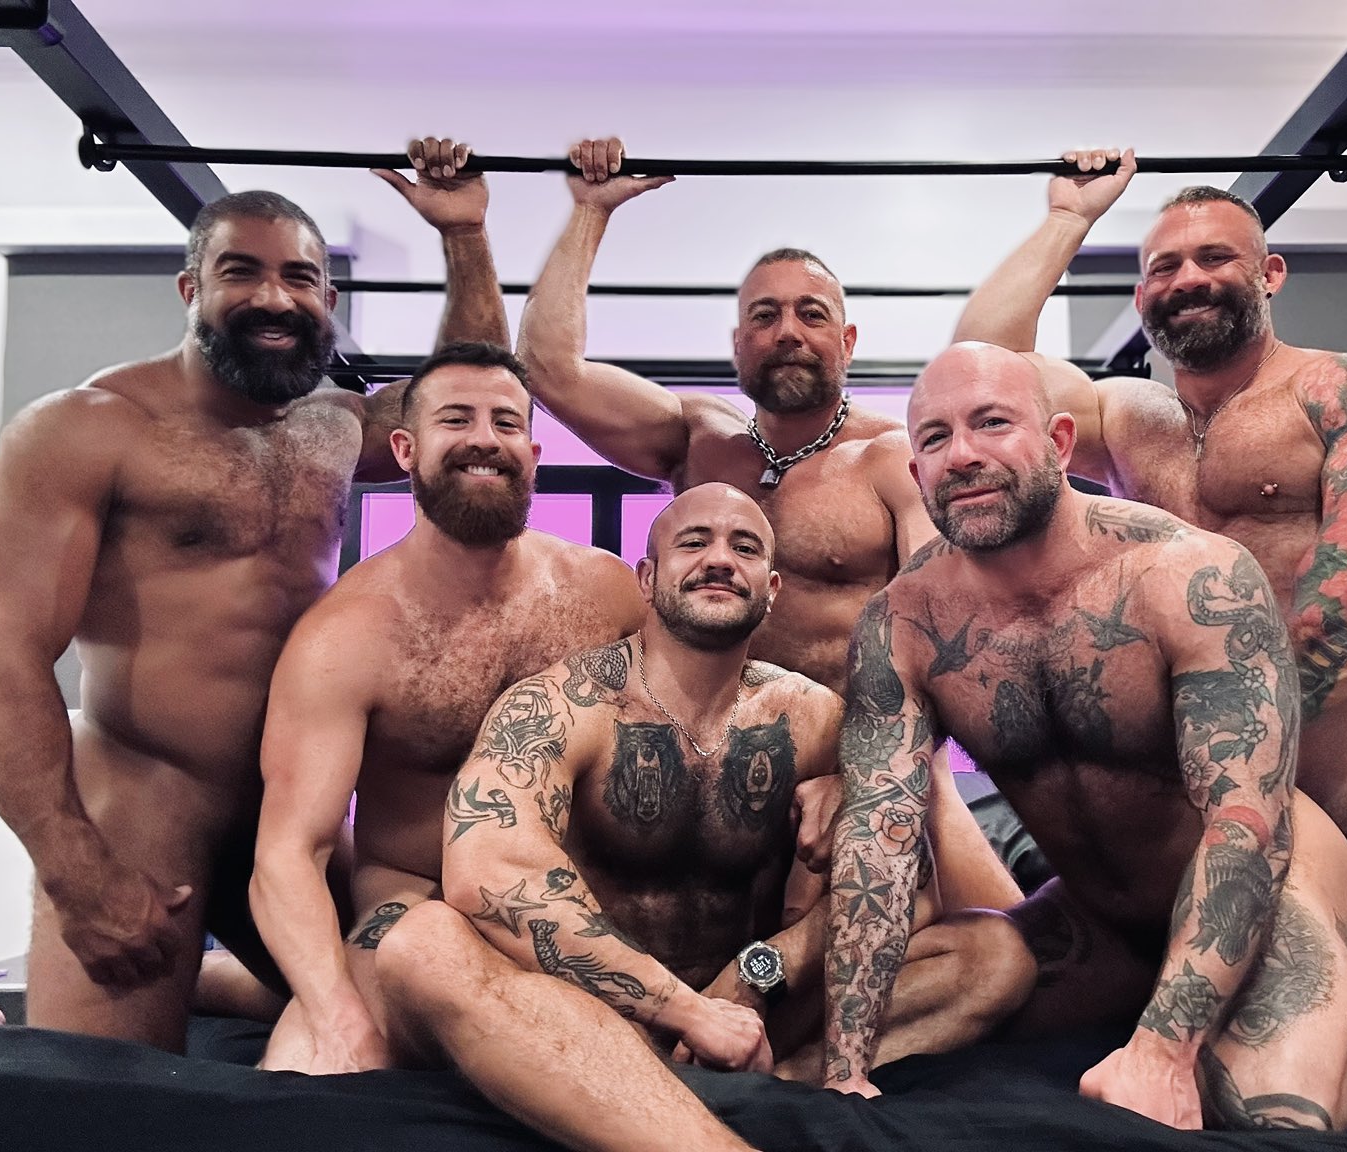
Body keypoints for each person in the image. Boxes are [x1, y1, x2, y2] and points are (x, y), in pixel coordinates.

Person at [0, 138, 506, 1051]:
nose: (274, 297)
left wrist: (464, 236)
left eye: (299, 277)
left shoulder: (330, 429)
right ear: (190, 289)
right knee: (102, 1092)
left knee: (420, 1013)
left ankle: (208, 984)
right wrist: (71, 868)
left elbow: (466, 390)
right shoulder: (88, 430)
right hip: (143, 794)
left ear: (327, 300)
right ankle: (1, 1032)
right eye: (241, 272)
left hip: (283, 805)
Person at [949, 149, 1347, 993]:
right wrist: (1068, 219)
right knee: (1269, 1038)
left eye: (1215, 257)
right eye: (1165, 267)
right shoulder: (1128, 421)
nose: (1189, 278)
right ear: (1141, 297)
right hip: (1218, 803)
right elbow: (980, 369)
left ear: (1270, 274)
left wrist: (1220, 751)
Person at [822, 343, 1347, 1131]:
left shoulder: (1187, 575)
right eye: (935, 438)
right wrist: (846, 1071)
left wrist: (1160, 1052)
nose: (963, 455)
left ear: (1059, 442)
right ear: (917, 473)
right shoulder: (903, 623)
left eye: (992, 423)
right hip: (1101, 918)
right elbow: (877, 842)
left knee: (1269, 1111)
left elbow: (1247, 825)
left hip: (1262, 882)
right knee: (924, 1000)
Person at [372, 485, 1034, 1152]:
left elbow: (908, 888)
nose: (720, 559)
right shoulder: (563, 705)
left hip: (753, 1023)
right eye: (694, 543)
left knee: (993, 954)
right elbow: (490, 874)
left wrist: (759, 974)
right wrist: (684, 1010)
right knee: (421, 943)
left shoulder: (811, 717)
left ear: (771, 589)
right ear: (647, 577)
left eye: (744, 548)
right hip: (589, 1017)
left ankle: (724, 1096)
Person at [516, 136, 1022, 919]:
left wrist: (872, 772)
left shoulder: (894, 463)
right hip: (715, 775)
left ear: (846, 343)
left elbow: (947, 630)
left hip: (860, 765)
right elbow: (548, 368)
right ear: (737, 344)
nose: (788, 331)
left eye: (811, 314)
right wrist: (590, 211)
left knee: (997, 950)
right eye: (765, 315)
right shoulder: (699, 441)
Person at [249, 341, 646, 1074]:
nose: (484, 440)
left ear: (533, 453)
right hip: (417, 903)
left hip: (580, 905)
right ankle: (263, 996)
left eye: (505, 423)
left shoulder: (608, 593)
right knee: (311, 1074)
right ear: (406, 448)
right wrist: (337, 1016)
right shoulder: (347, 636)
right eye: (456, 419)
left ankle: (233, 986)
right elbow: (288, 855)